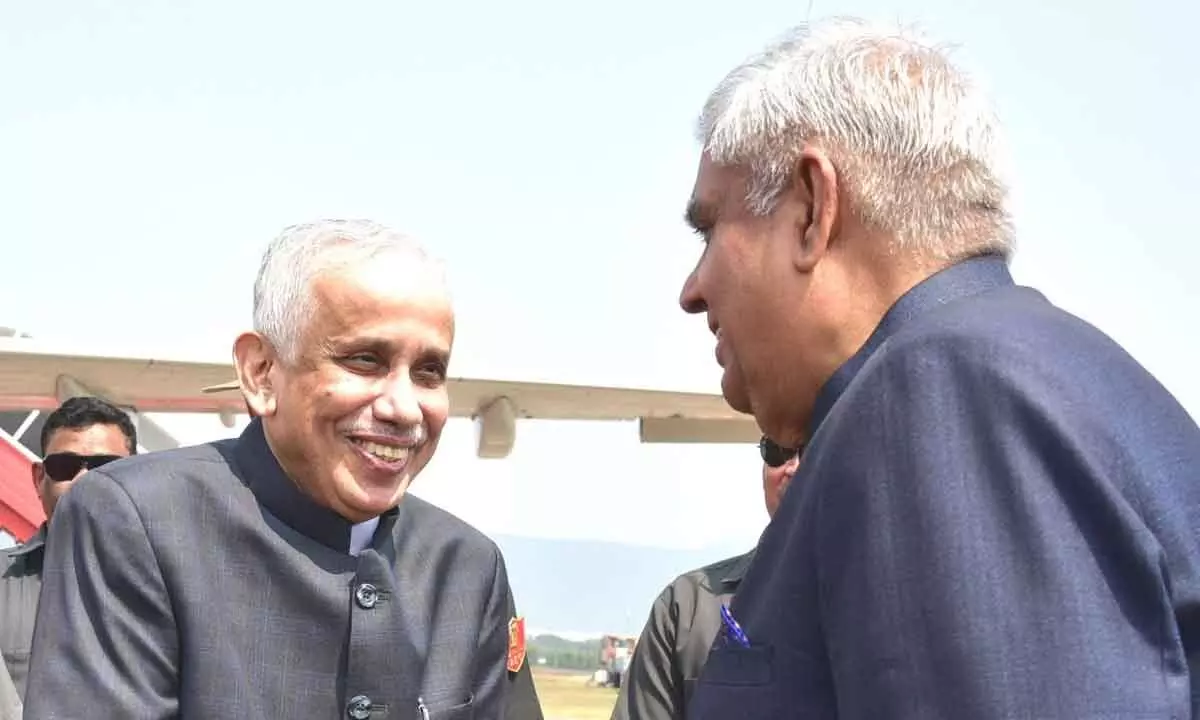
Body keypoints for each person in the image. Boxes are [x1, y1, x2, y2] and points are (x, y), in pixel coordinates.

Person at [677, 16, 1200, 719]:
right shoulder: (1042, 373)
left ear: (811, 208)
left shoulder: (934, 397)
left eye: (711, 228)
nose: (692, 290)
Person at [25, 219, 543, 719]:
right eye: (365, 360)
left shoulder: (466, 566)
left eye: (429, 371)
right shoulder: (137, 523)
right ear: (261, 373)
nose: (404, 408)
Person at [611, 437, 802, 720]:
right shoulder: (688, 609)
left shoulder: (884, 608)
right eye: (778, 450)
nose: (793, 468)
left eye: (816, 447)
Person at [0, 395, 137, 700]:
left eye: (106, 467)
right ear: (39, 479)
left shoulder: (180, 590)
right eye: (65, 466)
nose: (84, 481)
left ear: (138, 475)